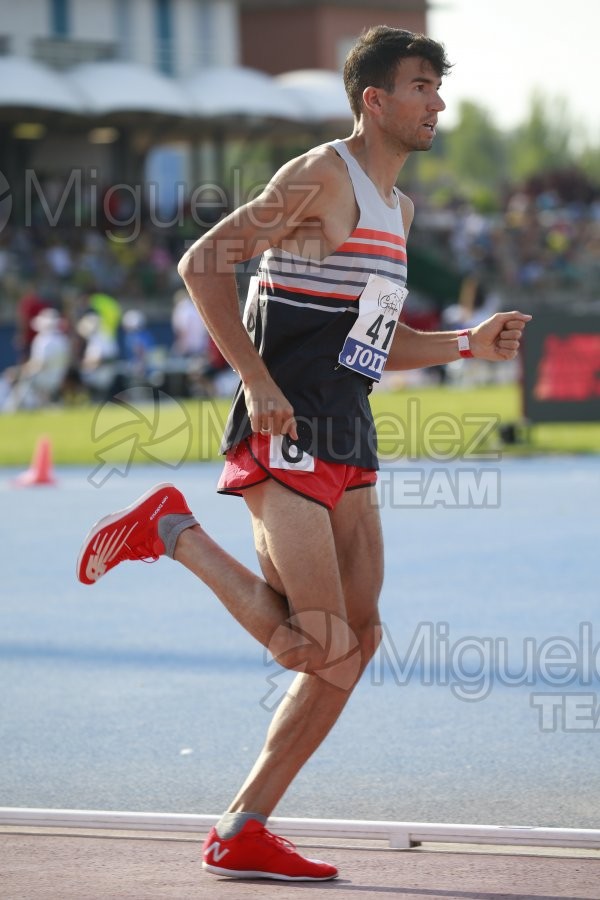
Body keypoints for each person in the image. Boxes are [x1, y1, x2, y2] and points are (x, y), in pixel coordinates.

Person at [76, 26, 531, 882]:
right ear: (375, 100)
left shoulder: (395, 209)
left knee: (354, 643)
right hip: (283, 430)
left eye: (438, 87)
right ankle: (173, 532)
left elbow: (374, 342)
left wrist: (468, 344)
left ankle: (243, 827)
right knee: (316, 645)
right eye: (422, 86)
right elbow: (204, 262)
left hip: (347, 431)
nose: (438, 102)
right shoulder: (322, 176)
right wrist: (255, 383)